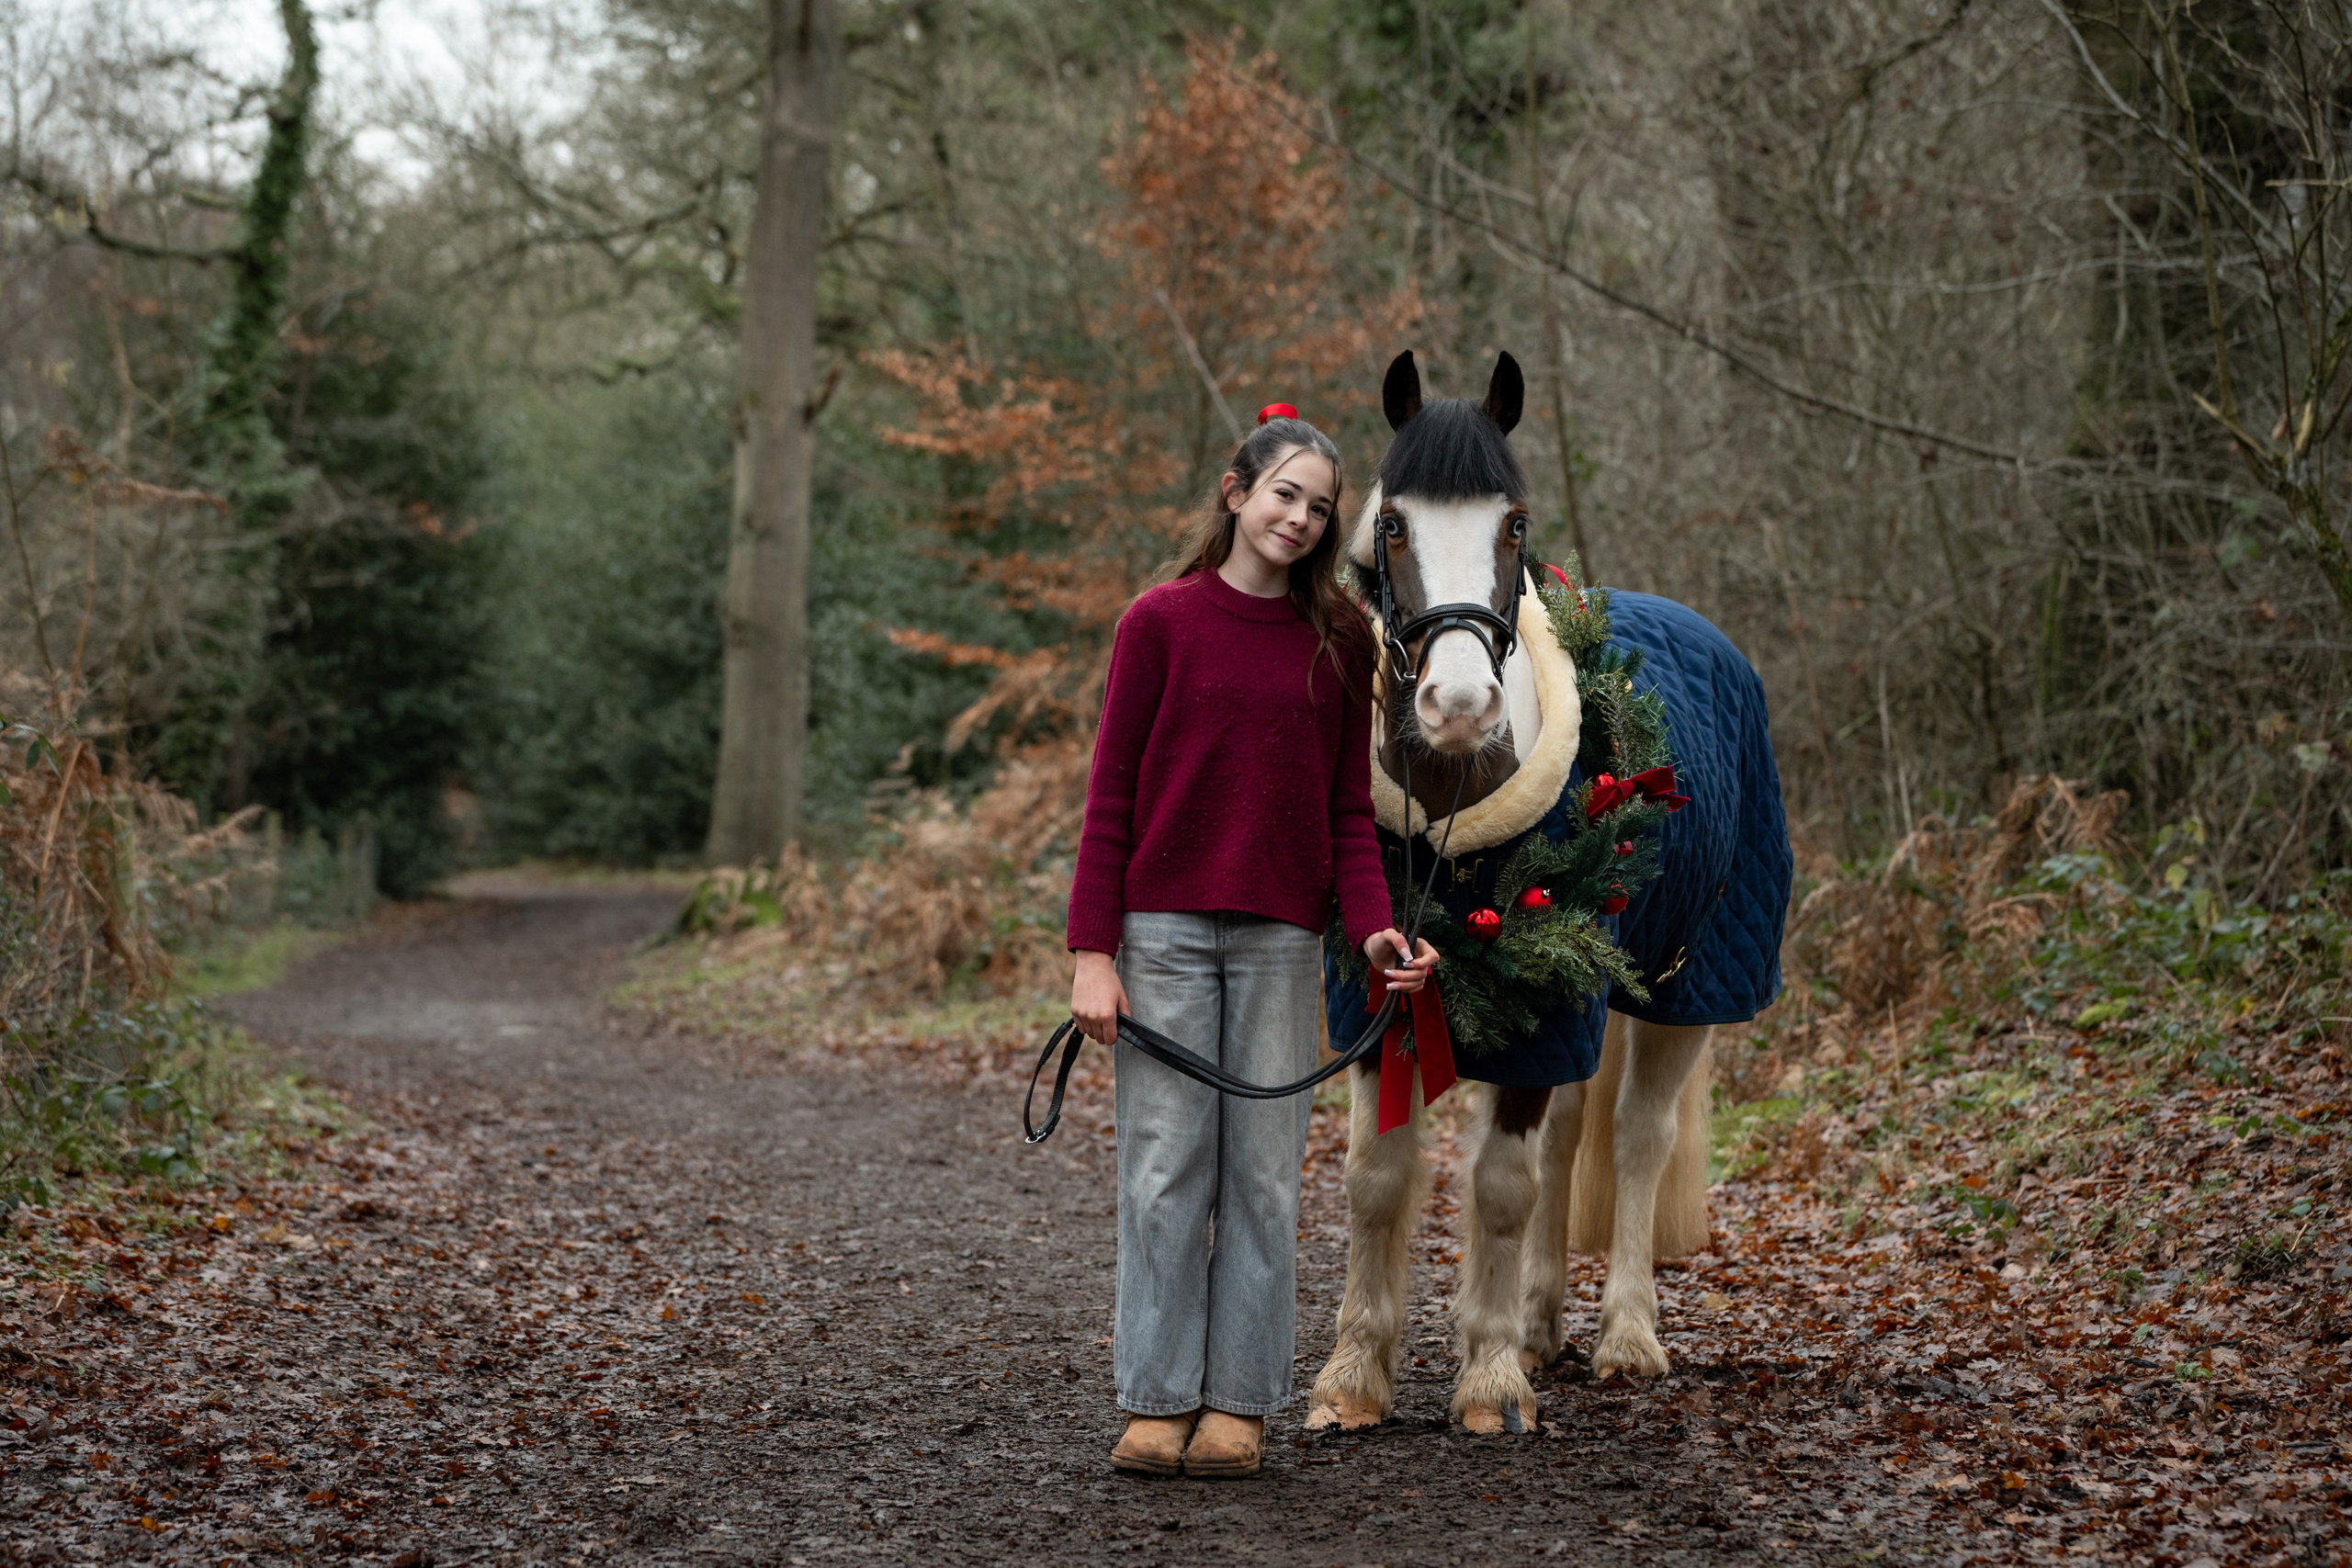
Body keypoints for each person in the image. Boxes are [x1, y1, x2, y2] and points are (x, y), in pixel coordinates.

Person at [1067, 403, 1438, 1480]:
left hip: (1281, 944)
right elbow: (1110, 802)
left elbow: (1344, 816)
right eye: (1285, 493)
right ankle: (1156, 1397)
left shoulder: (1340, 640)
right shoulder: (1157, 624)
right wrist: (1095, 952)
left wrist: (1372, 932)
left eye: (1321, 507)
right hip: (1162, 936)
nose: (1300, 517)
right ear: (1236, 492)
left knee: (1266, 1180)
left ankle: (1238, 1402)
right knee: (1163, 1171)